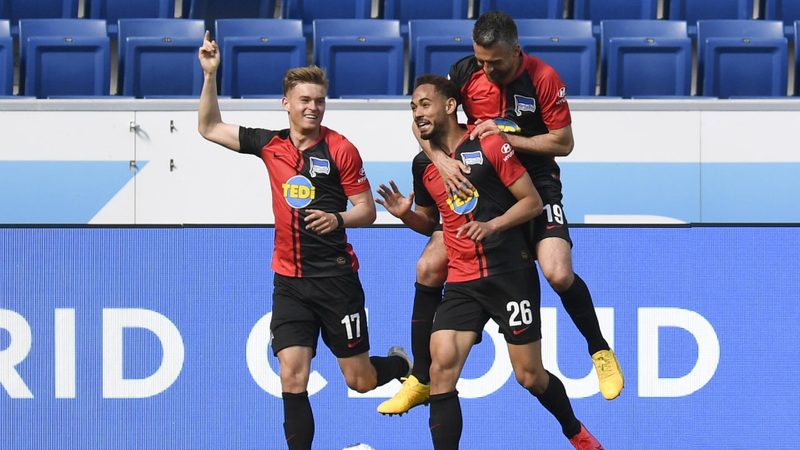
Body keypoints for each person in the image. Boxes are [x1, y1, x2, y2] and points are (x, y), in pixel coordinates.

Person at [377, 11, 623, 416]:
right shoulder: (465, 72)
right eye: (481, 61)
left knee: (558, 273)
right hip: (483, 181)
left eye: (495, 62)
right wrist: (439, 160)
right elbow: (425, 117)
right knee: (428, 266)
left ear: (516, 50)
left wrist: (506, 137)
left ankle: (600, 351)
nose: (487, 70)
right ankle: (420, 377)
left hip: (535, 183)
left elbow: (563, 143)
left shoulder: (543, 79)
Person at [197, 32, 411, 450]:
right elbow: (209, 127)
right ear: (286, 103)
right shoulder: (270, 144)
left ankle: (399, 364)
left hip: (335, 280)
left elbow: (367, 210)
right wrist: (209, 75)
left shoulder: (340, 149)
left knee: (360, 380)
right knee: (292, 376)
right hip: (289, 282)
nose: (313, 107)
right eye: (305, 100)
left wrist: (337, 218)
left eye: (319, 101)